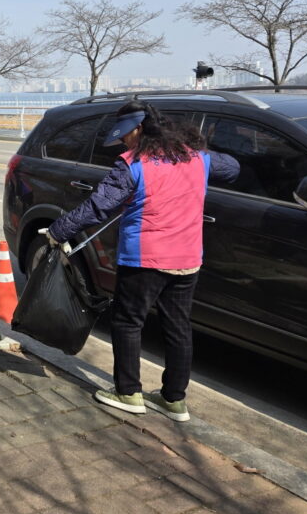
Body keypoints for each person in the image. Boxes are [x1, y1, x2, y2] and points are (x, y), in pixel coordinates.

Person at [46, 101, 239, 422]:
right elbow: (232, 168)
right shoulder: (197, 158)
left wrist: (58, 230)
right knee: (178, 326)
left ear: (138, 129)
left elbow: (97, 207)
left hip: (144, 259)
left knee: (127, 322)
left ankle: (128, 392)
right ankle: (173, 399)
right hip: (188, 259)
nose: (122, 141)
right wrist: (197, 151)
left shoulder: (132, 164)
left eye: (124, 135)